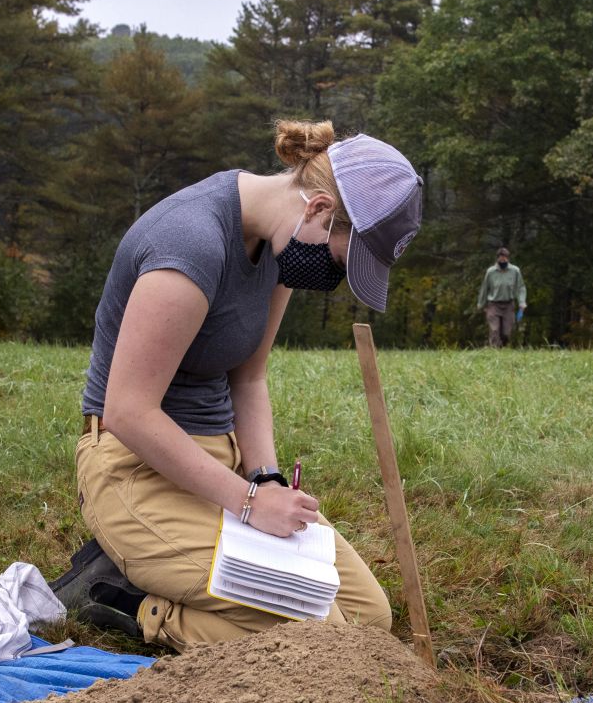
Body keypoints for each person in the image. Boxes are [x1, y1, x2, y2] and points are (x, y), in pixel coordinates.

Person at [50, 119, 423, 650]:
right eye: (341, 260)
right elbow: (128, 412)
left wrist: (266, 480)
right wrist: (247, 503)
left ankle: (188, 570)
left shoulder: (279, 243)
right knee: (318, 635)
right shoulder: (190, 245)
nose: (332, 279)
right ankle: (128, 600)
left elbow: (249, 375)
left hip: (218, 469)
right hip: (135, 469)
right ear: (318, 209)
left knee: (367, 620)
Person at [476, 246, 526, 347]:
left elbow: (520, 287)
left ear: (508, 258)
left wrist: (522, 303)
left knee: (506, 333)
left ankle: (502, 348)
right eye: (501, 257)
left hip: (508, 305)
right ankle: (495, 352)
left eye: (505, 257)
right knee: (494, 330)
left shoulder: (515, 271)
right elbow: (485, 288)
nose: (503, 259)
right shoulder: (491, 272)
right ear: (497, 258)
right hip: (493, 305)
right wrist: (481, 304)